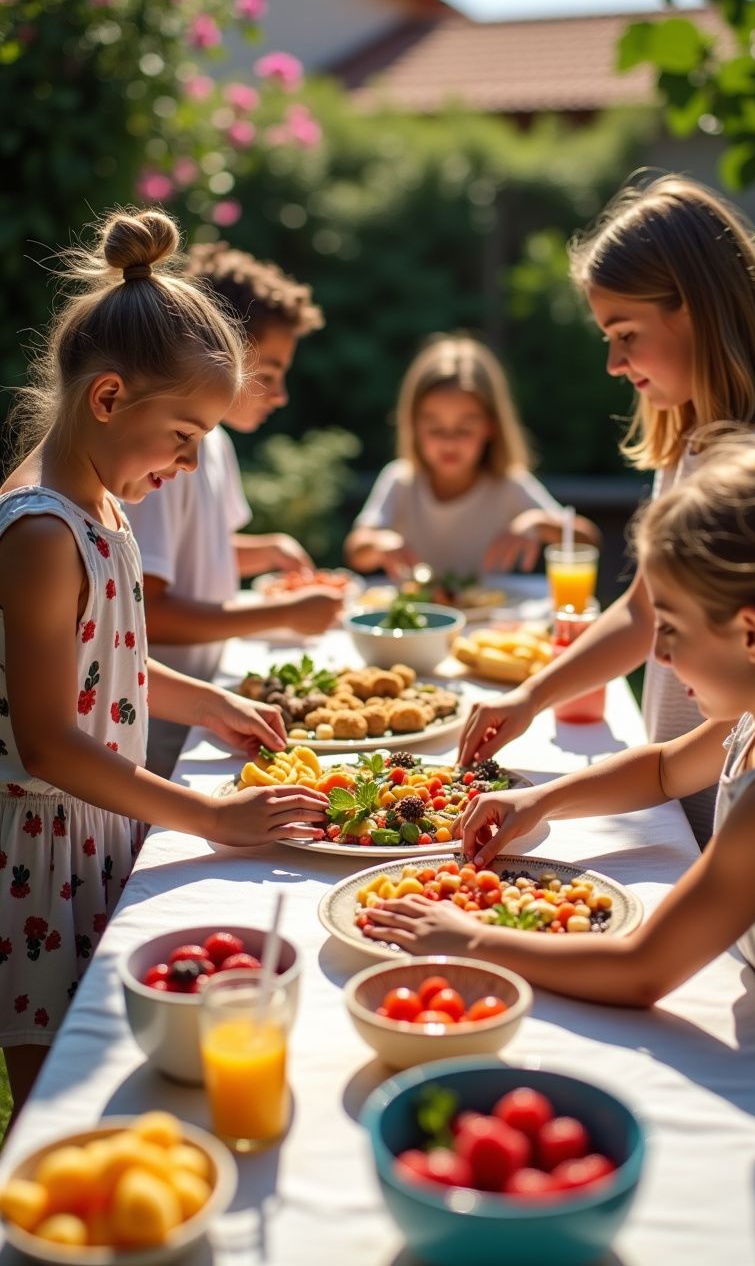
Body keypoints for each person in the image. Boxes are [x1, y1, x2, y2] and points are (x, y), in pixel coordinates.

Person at [0, 210, 327, 1123]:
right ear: (107, 400)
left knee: (111, 1066)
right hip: (39, 853)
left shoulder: (99, 503)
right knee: (55, 1097)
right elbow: (50, 742)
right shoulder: (38, 531)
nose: (189, 462)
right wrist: (212, 815)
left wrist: (210, 701)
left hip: (97, 819)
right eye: (183, 435)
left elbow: (112, 664)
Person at [364, 442, 755, 1092]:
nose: (656, 656)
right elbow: (661, 770)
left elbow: (643, 968)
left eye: (672, 631)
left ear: (753, 635)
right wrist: (540, 801)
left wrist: (469, 941)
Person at [459, 176, 755, 846]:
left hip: (744, 817)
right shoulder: (691, 441)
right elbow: (643, 610)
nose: (614, 363)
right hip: (684, 789)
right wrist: (530, 696)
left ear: (699, 311)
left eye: (625, 333)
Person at [125, 241, 343, 776]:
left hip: (205, 706)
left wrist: (262, 553)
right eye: (268, 372)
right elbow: (148, 610)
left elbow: (196, 556)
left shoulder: (210, 443)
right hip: (162, 737)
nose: (280, 394)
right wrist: (286, 613)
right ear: (219, 352)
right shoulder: (162, 461)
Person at [344, 334, 598, 581]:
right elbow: (356, 551)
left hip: (492, 621)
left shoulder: (508, 485)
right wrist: (380, 542)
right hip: (419, 618)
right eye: (435, 428)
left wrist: (538, 523)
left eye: (464, 429)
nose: (449, 442)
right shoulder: (401, 480)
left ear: (491, 426)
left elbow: (588, 539)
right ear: (413, 425)